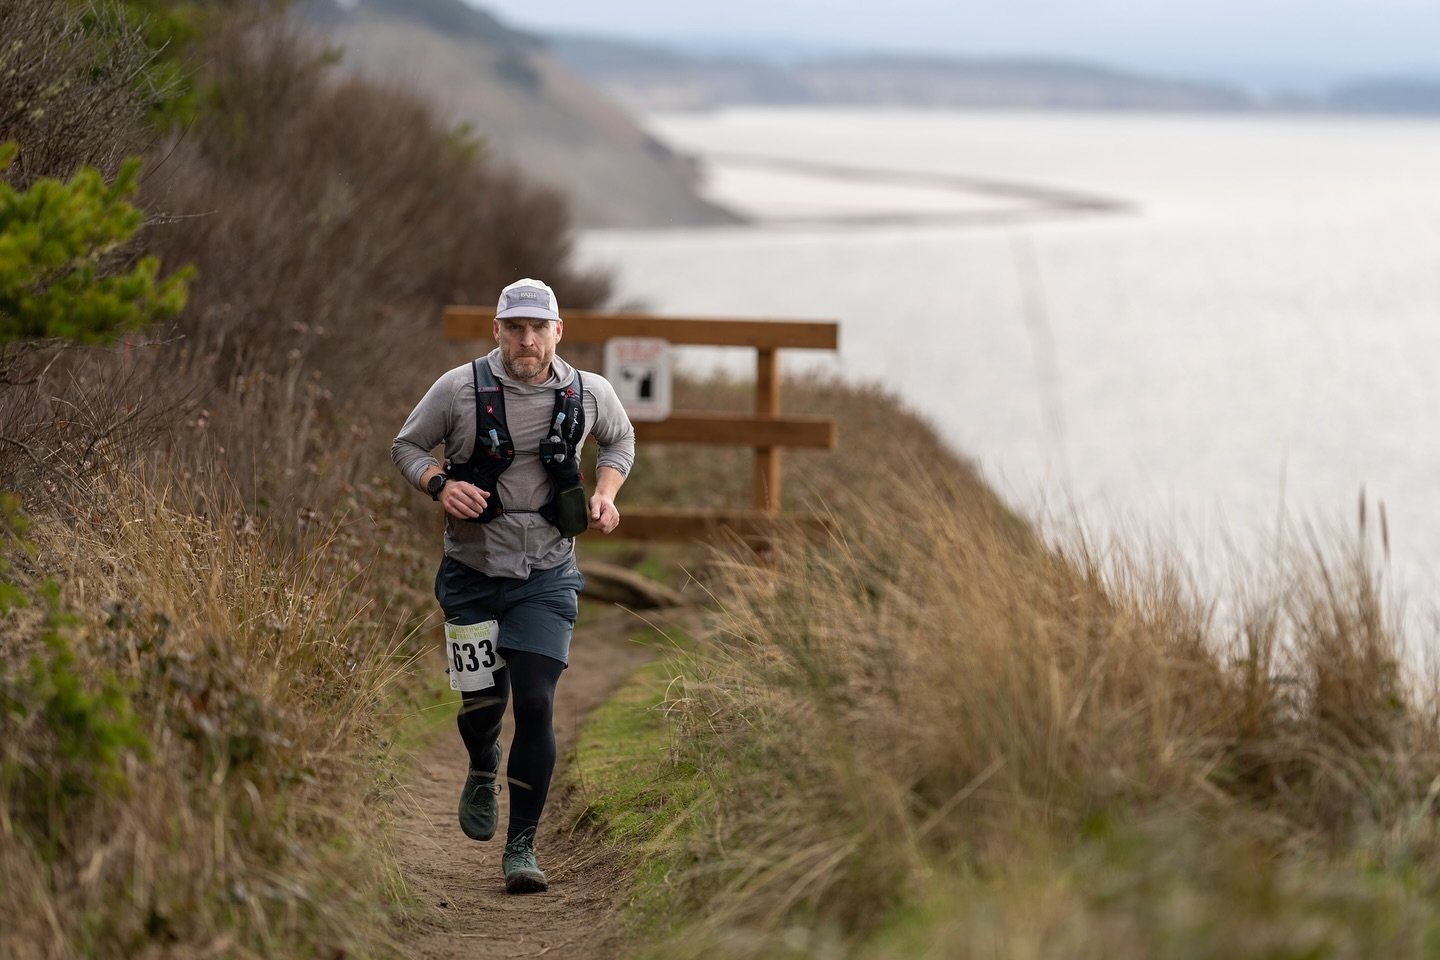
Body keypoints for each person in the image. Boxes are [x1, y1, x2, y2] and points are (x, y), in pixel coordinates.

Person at [391, 277, 635, 894]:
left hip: (548, 573)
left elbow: (621, 439)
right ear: (496, 330)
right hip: (470, 574)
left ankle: (521, 846)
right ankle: (481, 761)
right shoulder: (457, 389)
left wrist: (604, 495)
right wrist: (439, 485)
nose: (527, 341)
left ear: (559, 331)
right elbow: (408, 445)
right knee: (482, 707)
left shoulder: (589, 392)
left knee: (534, 701)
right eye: (515, 328)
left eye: (538, 328)